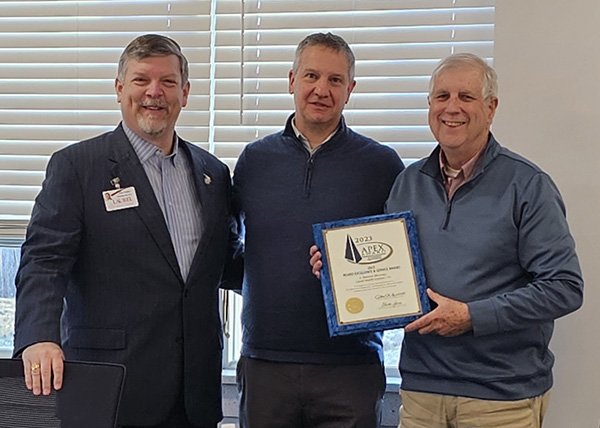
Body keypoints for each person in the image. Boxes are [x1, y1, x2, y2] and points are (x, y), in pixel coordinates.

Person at [311, 52, 584, 428]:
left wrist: (473, 317)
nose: (451, 108)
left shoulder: (527, 185)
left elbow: (565, 287)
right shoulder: (407, 184)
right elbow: (386, 273)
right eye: (441, 97)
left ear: (491, 108)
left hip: (500, 399)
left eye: (466, 97)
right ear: (429, 106)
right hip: (421, 393)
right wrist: (337, 272)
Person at [13, 34, 243, 428]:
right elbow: (43, 261)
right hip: (111, 387)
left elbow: (224, 263)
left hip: (195, 393)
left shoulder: (213, 174)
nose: (154, 92)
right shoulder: (78, 167)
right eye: (141, 80)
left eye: (168, 82)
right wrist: (38, 336)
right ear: (120, 89)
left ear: (184, 93)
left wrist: (303, 267)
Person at [232, 32, 404, 428]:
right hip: (265, 363)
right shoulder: (254, 161)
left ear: (350, 89)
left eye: (335, 80)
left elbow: (401, 262)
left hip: (352, 366)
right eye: (311, 76)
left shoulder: (382, 165)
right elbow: (225, 248)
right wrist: (270, 278)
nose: (321, 90)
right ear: (291, 80)